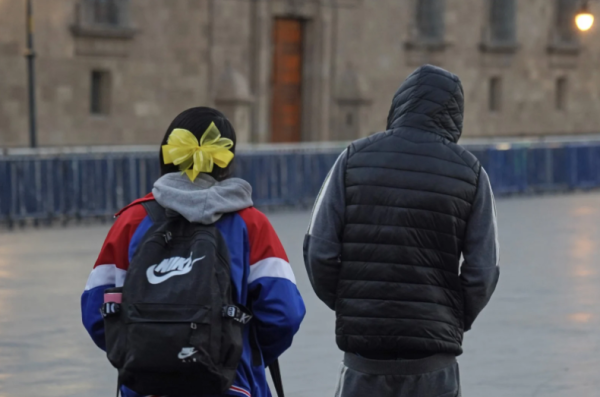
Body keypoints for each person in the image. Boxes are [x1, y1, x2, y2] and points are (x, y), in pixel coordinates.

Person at [81, 107, 306, 397]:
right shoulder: (251, 224)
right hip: (232, 385)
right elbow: (283, 313)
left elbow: (95, 310)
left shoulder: (131, 221)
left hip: (145, 387)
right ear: (225, 160)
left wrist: (146, 354)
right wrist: (238, 352)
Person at [304, 65, 500, 397]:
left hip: (364, 360)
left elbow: (318, 250)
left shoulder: (352, 158)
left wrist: (352, 303)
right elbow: (482, 270)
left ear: (400, 103)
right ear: (455, 114)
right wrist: (451, 316)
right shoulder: (471, 173)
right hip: (432, 364)